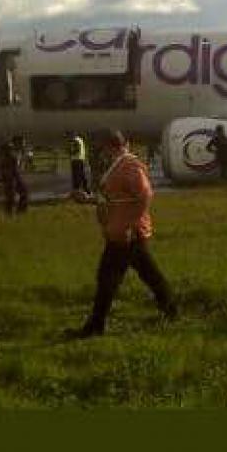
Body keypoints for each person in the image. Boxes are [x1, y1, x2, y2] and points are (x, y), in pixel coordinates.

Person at [67, 129, 177, 339]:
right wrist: (87, 199)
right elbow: (113, 198)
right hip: (121, 232)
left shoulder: (129, 165)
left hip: (126, 234)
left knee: (107, 278)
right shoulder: (118, 165)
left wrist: (130, 224)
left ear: (109, 146)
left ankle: (95, 326)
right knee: (148, 274)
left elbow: (145, 196)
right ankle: (170, 310)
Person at [0, 141, 29, 215]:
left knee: (17, 195)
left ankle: (16, 212)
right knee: (12, 197)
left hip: (12, 179)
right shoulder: (5, 160)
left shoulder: (9, 159)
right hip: (10, 180)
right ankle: (14, 213)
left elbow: (13, 170)